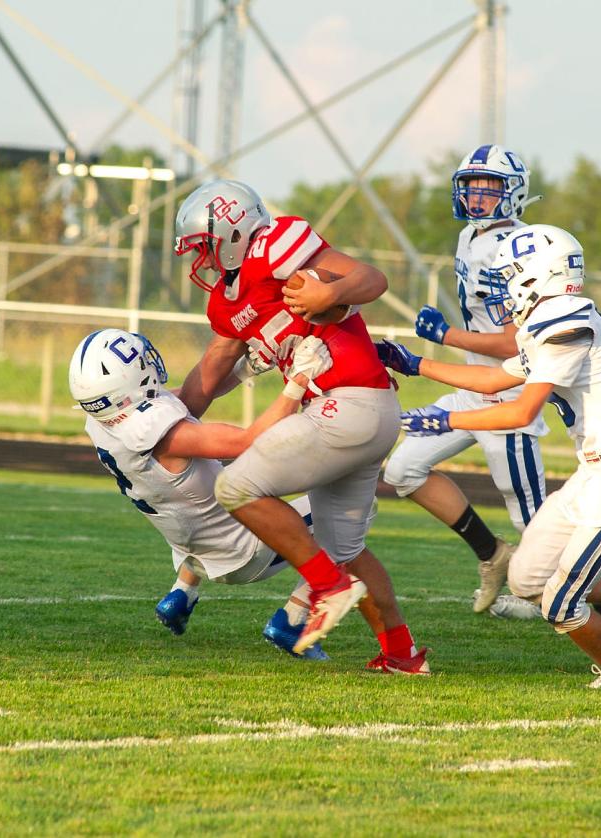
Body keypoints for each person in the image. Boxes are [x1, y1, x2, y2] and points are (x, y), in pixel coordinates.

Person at [378, 225, 601, 689]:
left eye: (507, 276)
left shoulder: (566, 321)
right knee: (525, 579)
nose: (501, 289)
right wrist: (414, 363)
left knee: (560, 604)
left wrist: (446, 422)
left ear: (537, 275)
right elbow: (495, 381)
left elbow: (521, 410)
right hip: (592, 474)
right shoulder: (556, 318)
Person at [173, 180, 425, 670]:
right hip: (360, 412)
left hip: (347, 404)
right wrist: (171, 419)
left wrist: (329, 290)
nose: (199, 259)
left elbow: (371, 279)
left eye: (203, 245)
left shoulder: (275, 244)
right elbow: (213, 369)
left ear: (232, 233)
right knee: (346, 551)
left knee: (237, 486)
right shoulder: (227, 301)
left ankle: (327, 588)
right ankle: (402, 654)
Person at [70, 329, 425, 673]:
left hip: (190, 546)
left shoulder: (104, 422)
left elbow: (188, 402)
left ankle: (183, 592)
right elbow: (248, 440)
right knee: (348, 516)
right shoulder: (164, 437)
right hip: (241, 551)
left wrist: (244, 369)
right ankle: (295, 618)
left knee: (205, 498)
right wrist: (298, 381)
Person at [383, 144, 547, 613]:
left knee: (536, 525)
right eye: (471, 186)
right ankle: (491, 556)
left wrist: (448, 335)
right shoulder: (471, 238)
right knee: (402, 470)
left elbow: (515, 341)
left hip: (511, 396)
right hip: (473, 390)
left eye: (490, 187)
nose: (477, 196)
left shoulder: (518, 248)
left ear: (514, 193)